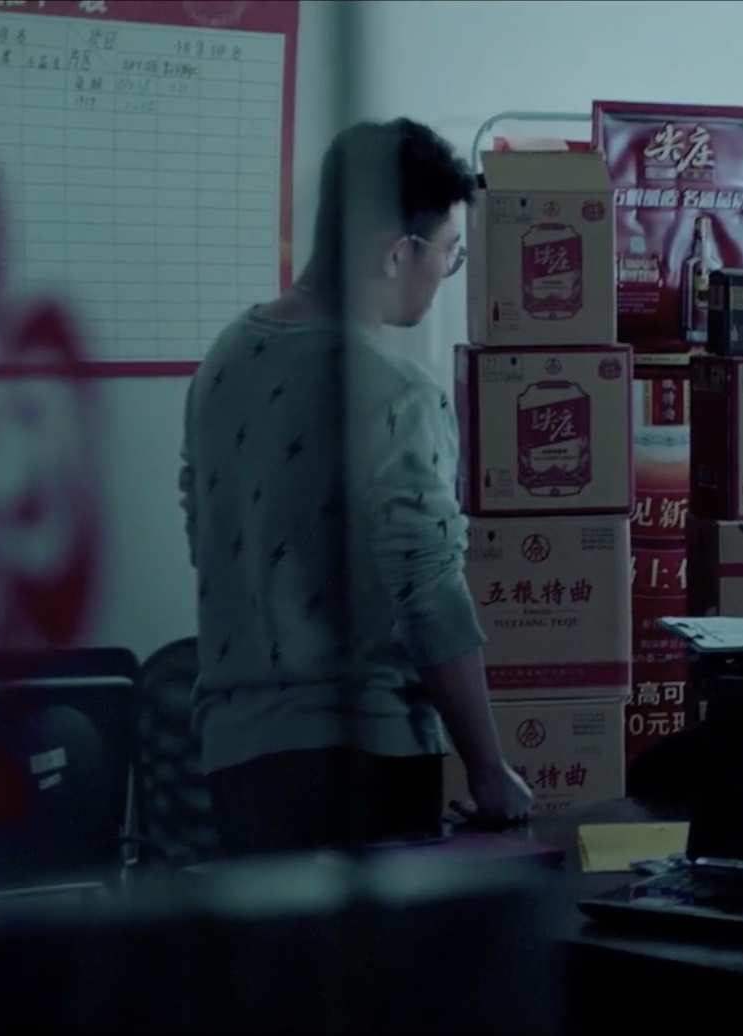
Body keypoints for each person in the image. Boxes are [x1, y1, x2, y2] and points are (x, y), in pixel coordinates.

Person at [181, 118, 530, 855]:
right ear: (396, 252)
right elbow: (430, 595)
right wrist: (488, 769)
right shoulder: (396, 392)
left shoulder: (225, 359)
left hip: (233, 760)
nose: (445, 271)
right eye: (448, 252)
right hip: (362, 757)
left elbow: (204, 530)